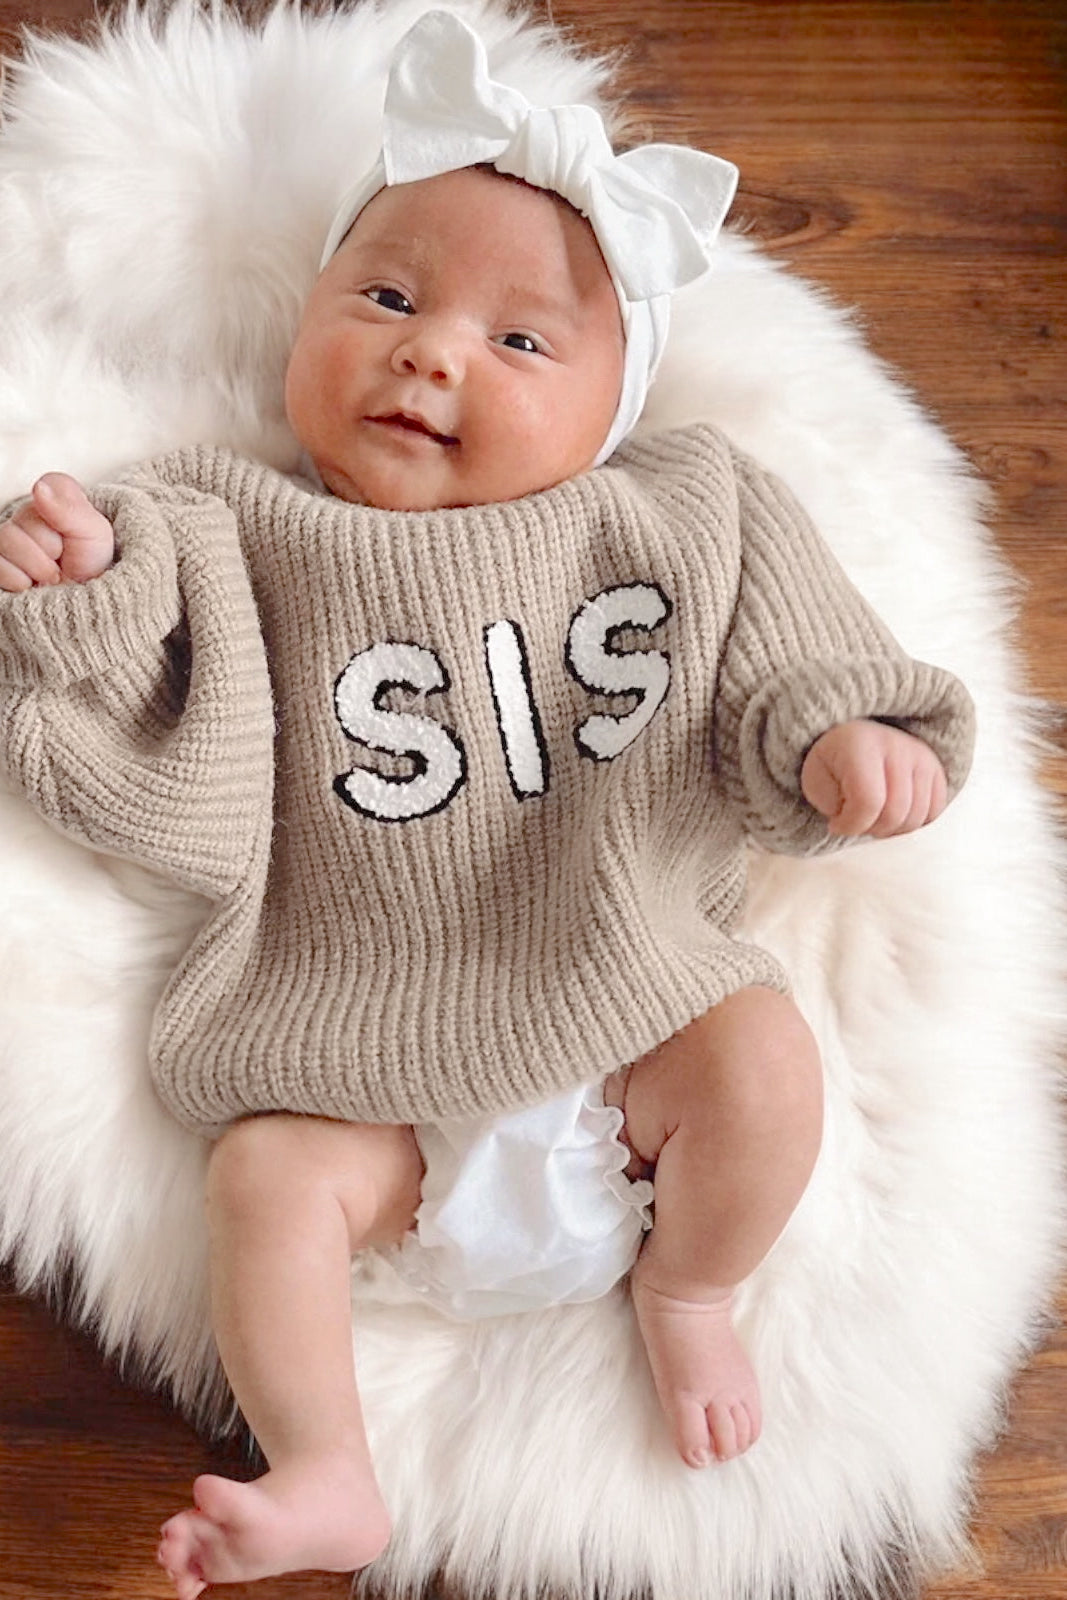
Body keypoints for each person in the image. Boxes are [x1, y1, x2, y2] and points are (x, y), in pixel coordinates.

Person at [0, 12, 974, 1596]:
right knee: (263, 1181)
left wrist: (843, 739)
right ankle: (328, 1467)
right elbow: (126, 699)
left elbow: (793, 639)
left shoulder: (674, 510)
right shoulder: (230, 518)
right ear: (307, 314)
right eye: (383, 295)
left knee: (769, 1061)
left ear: (612, 404)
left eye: (523, 341)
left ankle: (692, 1293)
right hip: (354, 1047)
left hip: (625, 1015)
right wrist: (77, 584)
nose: (431, 348)